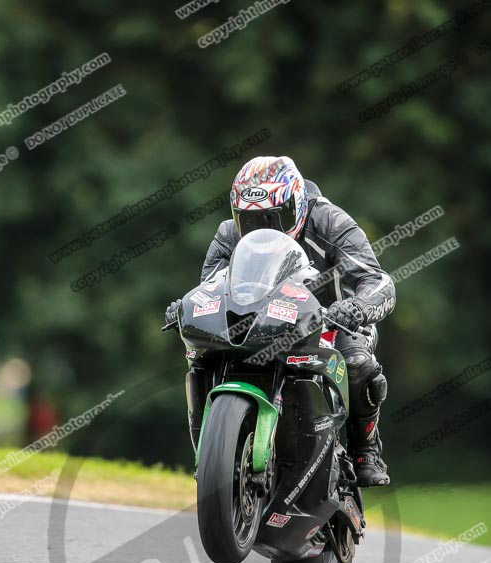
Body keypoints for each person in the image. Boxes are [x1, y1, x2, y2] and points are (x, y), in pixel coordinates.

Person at [165, 156, 395, 486]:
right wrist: (185, 307)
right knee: (201, 356)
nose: (263, 229)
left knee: (357, 362)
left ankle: (365, 449)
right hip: (260, 321)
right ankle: (212, 453)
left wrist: (357, 308)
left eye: (274, 217)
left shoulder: (331, 222)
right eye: (251, 220)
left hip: (333, 320)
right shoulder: (228, 234)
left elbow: (378, 280)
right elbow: (209, 286)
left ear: (298, 203)